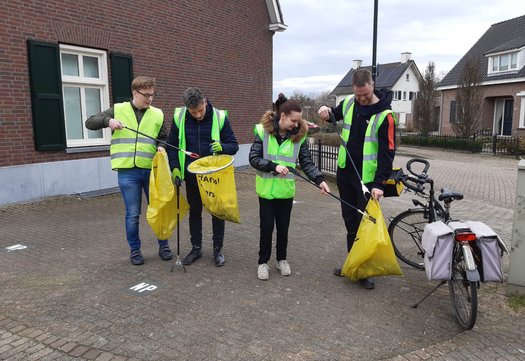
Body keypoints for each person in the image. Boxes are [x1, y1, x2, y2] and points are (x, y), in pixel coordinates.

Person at [318, 68, 396, 289]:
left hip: (368, 180)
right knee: (350, 221)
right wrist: (325, 110)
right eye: (358, 94)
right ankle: (352, 264)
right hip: (345, 173)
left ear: (372, 84)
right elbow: (333, 114)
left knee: (366, 224)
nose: (361, 99)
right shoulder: (351, 103)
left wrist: (380, 183)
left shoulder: (385, 116)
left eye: (365, 94)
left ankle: (365, 271)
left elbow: (387, 152)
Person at [85, 76, 172, 266]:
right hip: (127, 172)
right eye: (146, 95)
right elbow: (90, 122)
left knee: (158, 210)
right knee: (133, 213)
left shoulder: (157, 113)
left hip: (151, 170)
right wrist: (109, 122)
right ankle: (135, 250)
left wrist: (161, 146)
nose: (150, 99)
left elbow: (164, 136)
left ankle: (164, 245)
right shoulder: (118, 110)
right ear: (135, 93)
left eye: (152, 95)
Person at [249, 94, 330, 280]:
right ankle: (262, 262)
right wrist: (273, 166)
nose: (296, 124)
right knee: (266, 228)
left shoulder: (299, 137)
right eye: (294, 120)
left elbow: (307, 162)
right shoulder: (263, 132)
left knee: (283, 229)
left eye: (298, 120)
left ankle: (281, 260)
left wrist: (320, 180)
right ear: (283, 116)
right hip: (266, 192)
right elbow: (253, 159)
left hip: (285, 192)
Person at [167, 87, 239, 267]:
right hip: (192, 176)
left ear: (205, 102)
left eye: (200, 110)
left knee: (217, 213)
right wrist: (175, 169)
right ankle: (196, 248)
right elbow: (172, 146)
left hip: (214, 177)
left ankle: (217, 250)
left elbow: (234, 145)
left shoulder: (220, 117)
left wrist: (222, 147)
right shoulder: (179, 118)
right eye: (194, 112)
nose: (198, 115)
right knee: (195, 212)